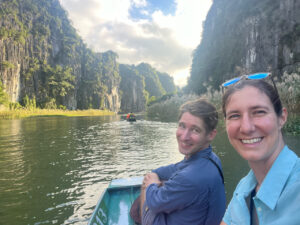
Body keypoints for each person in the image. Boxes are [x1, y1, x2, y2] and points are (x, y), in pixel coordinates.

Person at [220, 73, 300, 225]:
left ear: (281, 118)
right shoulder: (243, 190)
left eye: (259, 112)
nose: (246, 127)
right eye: (235, 115)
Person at [140, 98, 226, 225]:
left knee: (146, 184)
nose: (184, 136)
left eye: (195, 130)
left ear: (211, 135)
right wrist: (156, 176)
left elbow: (154, 203)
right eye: (182, 126)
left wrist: (151, 183)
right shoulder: (212, 158)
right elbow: (174, 168)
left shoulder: (190, 177)